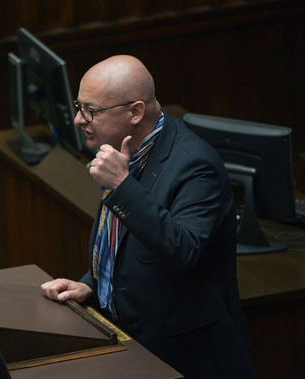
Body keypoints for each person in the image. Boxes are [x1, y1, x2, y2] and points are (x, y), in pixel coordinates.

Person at [40, 55, 254, 378]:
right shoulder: (122, 150)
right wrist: (93, 287)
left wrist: (122, 186)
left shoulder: (195, 166)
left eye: (91, 110)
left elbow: (183, 250)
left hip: (187, 362)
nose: (78, 119)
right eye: (78, 105)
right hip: (135, 352)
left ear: (135, 112)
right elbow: (127, 244)